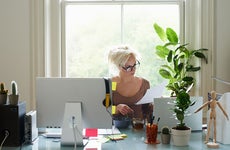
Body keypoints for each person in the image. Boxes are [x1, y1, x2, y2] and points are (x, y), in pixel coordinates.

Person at [108, 45, 153, 122]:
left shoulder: (144, 84)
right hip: (116, 129)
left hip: (138, 128)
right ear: (118, 66)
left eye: (134, 65)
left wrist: (156, 105)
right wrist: (117, 109)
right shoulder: (112, 84)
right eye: (128, 67)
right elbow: (104, 108)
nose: (133, 70)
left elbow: (147, 111)